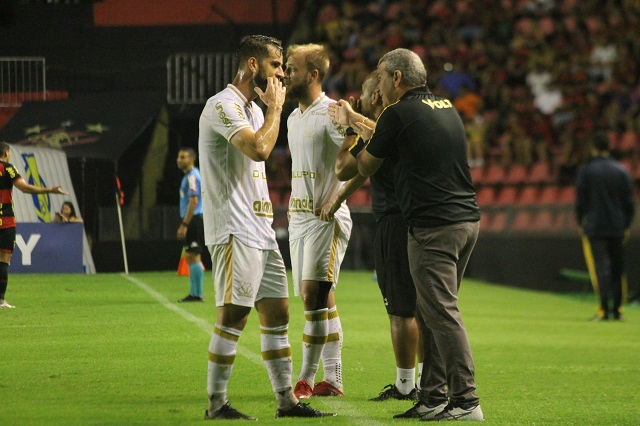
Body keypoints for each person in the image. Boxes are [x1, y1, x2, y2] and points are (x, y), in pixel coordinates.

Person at [343, 48, 484, 421]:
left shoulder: (397, 113)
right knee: (429, 312)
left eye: (381, 76)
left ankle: (466, 401)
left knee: (441, 313)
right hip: (466, 220)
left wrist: (352, 125)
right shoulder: (445, 106)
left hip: (432, 226)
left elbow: (366, 164)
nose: (379, 86)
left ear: (397, 78)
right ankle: (434, 396)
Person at [198, 35, 334, 420]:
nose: (281, 75)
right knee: (234, 316)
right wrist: (275, 110)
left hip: (261, 230)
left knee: (277, 315)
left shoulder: (256, 111)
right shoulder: (222, 106)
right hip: (233, 229)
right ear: (253, 65)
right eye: (277, 65)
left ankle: (285, 401)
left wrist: (269, 112)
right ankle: (216, 404)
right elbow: (258, 149)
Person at [324, 71, 422, 402]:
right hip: (418, 220)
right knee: (418, 308)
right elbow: (368, 170)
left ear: (377, 97)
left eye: (367, 93)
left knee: (401, 309)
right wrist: (338, 198)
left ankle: (407, 385)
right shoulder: (405, 126)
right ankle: (426, 381)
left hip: (394, 222)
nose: (364, 98)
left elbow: (343, 168)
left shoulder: (384, 127)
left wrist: (348, 132)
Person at [283, 43, 352, 399]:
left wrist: (337, 195)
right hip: (299, 219)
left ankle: (305, 379)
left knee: (313, 296)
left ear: (313, 74)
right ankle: (334, 379)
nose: (284, 73)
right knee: (323, 300)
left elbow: (360, 156)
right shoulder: (293, 117)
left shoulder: (331, 112)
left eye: (291, 69)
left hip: (327, 217)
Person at [0, 141, 68, 309]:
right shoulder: (8, 168)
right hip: (6, 220)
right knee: (3, 260)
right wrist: (49, 190)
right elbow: (25, 188)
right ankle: (1, 300)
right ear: (7, 153)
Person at [576, 132, 635, 321]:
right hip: (617, 227)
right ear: (609, 147)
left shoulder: (587, 171)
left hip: (595, 227)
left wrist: (580, 222)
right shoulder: (621, 170)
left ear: (594, 147)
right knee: (618, 268)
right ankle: (617, 310)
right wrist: (627, 224)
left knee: (601, 267)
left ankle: (603, 309)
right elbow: (629, 203)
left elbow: (581, 201)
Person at [176, 147, 206, 303]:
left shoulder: (192, 177)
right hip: (192, 219)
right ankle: (194, 293)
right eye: (178, 157)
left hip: (193, 219)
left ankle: (197, 294)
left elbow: (194, 201)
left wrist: (184, 224)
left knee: (193, 255)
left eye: (183, 157)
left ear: (191, 159)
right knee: (190, 255)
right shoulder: (189, 176)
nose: (179, 160)